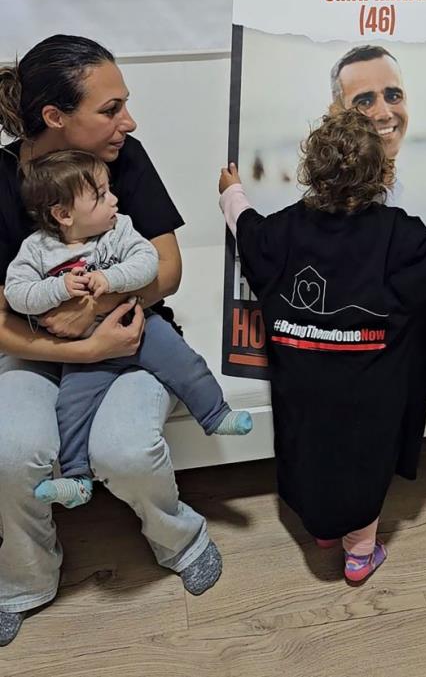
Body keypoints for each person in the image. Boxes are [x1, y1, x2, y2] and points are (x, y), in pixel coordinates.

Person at [218, 109, 426, 585]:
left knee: (307, 453)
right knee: (364, 462)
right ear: (384, 174)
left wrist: (231, 190)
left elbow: (246, 227)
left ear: (311, 171)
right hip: (371, 394)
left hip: (303, 389)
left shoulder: (282, 232)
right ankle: (358, 554)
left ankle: (321, 531)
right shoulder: (396, 234)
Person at [0, 35, 220, 647]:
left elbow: (166, 270)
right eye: (110, 108)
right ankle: (24, 578)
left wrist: (96, 314)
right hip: (37, 353)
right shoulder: (1, 180)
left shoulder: (127, 158)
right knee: (12, 451)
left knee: (124, 450)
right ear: (54, 118)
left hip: (133, 338)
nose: (128, 121)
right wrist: (78, 350)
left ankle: (183, 537)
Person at [4, 149, 253, 510]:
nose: (114, 200)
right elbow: (17, 294)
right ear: (63, 214)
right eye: (101, 196)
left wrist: (109, 278)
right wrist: (57, 289)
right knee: (70, 407)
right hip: (87, 349)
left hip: (139, 324)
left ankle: (215, 413)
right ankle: (75, 478)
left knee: (184, 362)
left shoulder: (120, 228)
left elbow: (148, 263)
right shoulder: (37, 250)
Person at [330, 44, 407, 205]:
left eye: (393, 96)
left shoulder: (402, 191)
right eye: (365, 101)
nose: (385, 114)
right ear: (336, 113)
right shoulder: (334, 204)